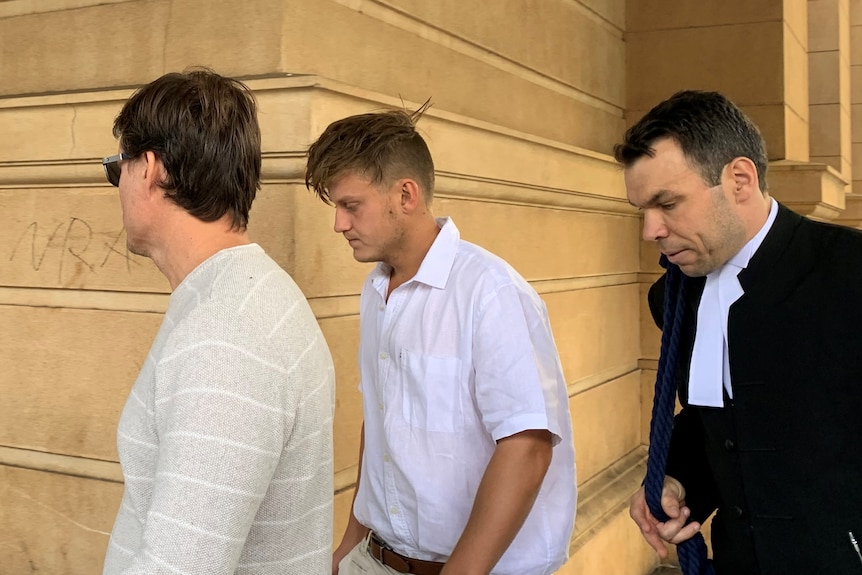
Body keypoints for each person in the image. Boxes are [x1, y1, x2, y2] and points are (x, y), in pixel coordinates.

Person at [305, 104, 576, 575]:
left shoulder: (490, 292)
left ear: (406, 194)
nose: (339, 224)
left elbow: (527, 445)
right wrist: (348, 548)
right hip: (375, 559)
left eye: (352, 206)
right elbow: (381, 427)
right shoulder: (376, 291)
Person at [101, 69, 336, 575]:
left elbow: (182, 566)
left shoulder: (226, 336)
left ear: (150, 169)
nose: (116, 185)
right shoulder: (240, 300)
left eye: (115, 167)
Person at [618, 90, 862, 574]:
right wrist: (678, 482)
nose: (651, 231)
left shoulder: (850, 272)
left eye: (667, 203)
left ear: (740, 180)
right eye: (642, 209)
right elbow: (717, 421)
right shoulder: (672, 297)